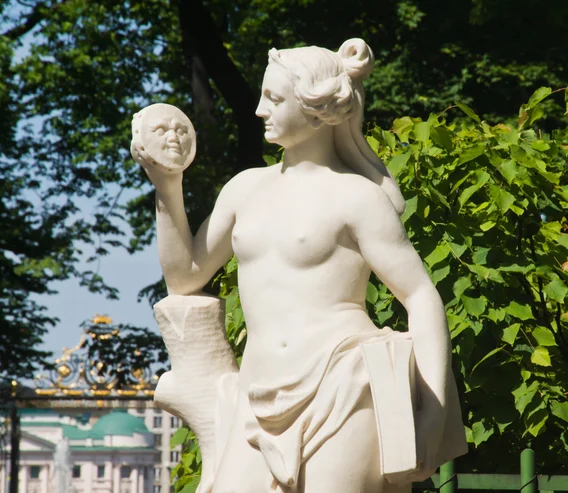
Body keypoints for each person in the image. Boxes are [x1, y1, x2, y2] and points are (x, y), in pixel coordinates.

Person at [133, 38, 465, 493]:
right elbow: (185, 276)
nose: (258, 110)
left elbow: (421, 295)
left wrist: (434, 409)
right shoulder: (244, 190)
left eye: (273, 98)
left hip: (344, 387)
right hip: (256, 392)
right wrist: (168, 186)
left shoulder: (356, 197)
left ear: (317, 108)